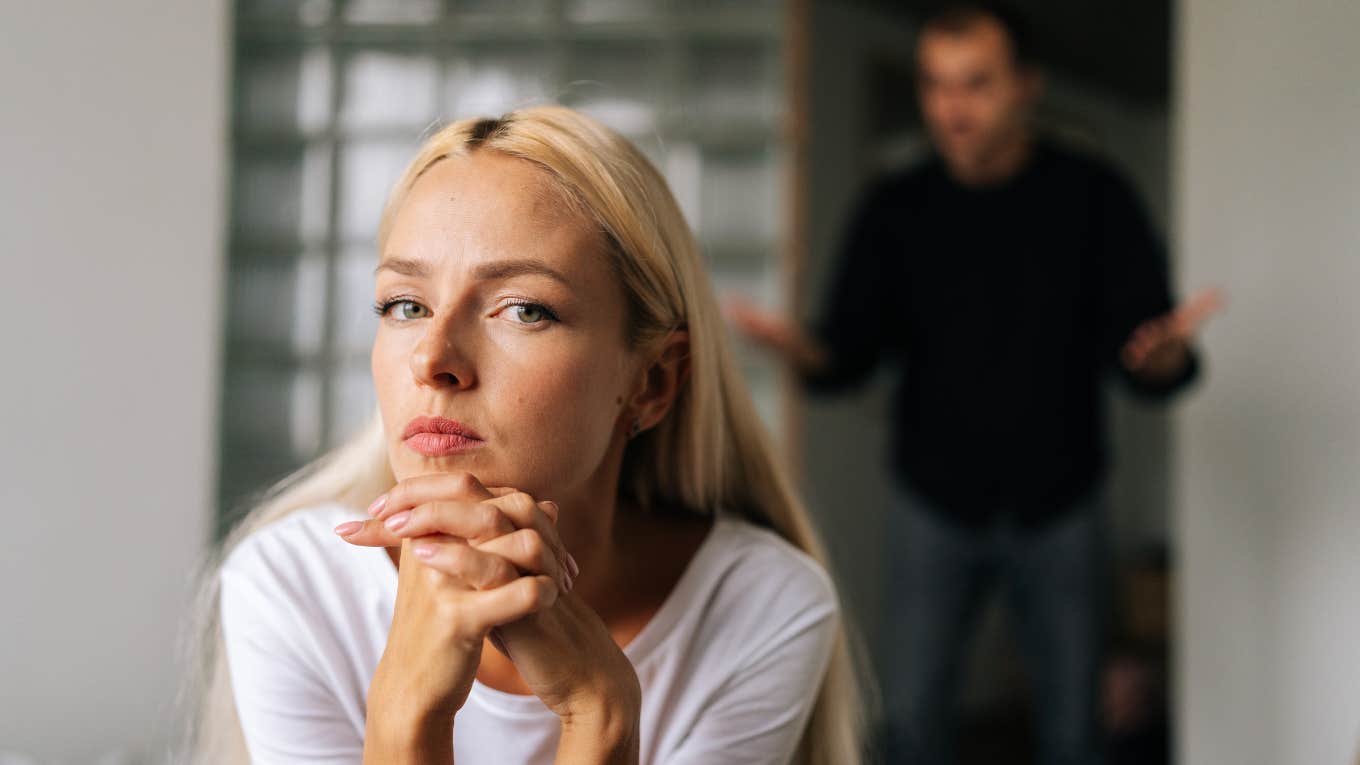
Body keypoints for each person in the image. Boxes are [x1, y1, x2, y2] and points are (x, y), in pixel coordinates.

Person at [180, 106, 867, 764]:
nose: (432, 358)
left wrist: (600, 712)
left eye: (524, 310)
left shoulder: (760, 606)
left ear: (653, 382)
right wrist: (406, 711)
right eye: (406, 305)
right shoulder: (293, 587)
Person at [725, 3, 1221, 764]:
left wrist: (1164, 358)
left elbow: (1149, 352)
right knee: (914, 718)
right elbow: (848, 354)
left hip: (1062, 499)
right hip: (934, 500)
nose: (952, 105)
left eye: (976, 83)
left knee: (1073, 727)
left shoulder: (1095, 196)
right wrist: (801, 349)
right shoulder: (895, 208)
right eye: (935, 84)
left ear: (1025, 85)